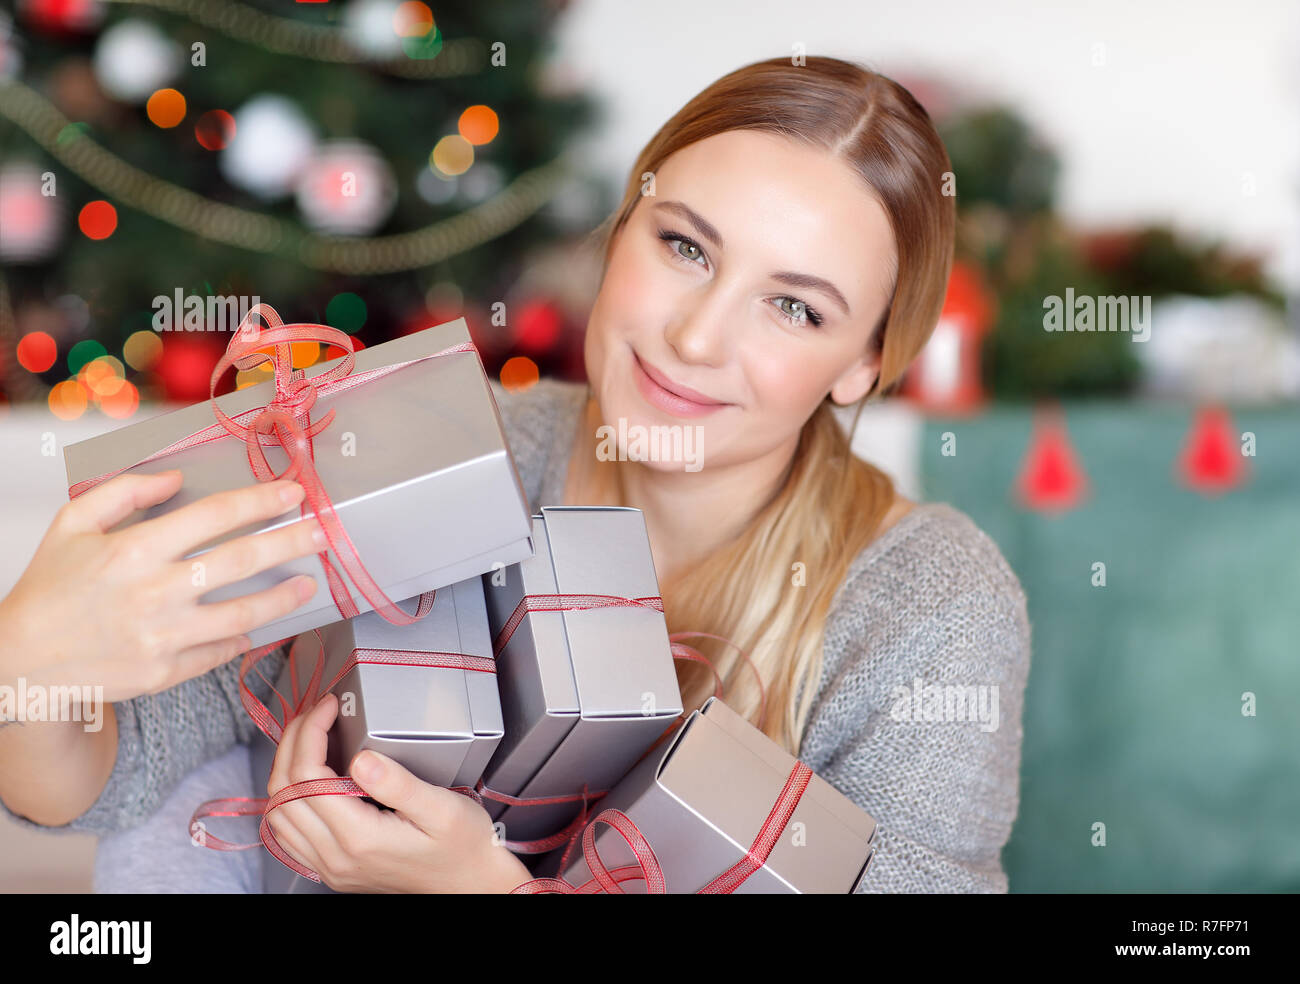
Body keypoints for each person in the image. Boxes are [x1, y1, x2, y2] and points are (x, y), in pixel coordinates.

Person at [0, 55, 1031, 893]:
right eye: (684, 247)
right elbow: (115, 779)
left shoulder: (933, 603)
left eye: (794, 306)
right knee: (198, 807)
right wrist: (28, 664)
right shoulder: (452, 441)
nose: (694, 335)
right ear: (623, 225)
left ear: (866, 364)